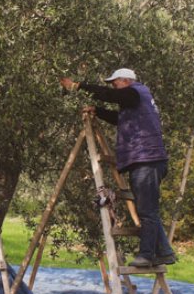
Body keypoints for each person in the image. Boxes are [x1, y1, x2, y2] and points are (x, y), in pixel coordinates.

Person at [60, 68, 176, 268]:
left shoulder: (135, 92)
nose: (113, 87)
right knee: (149, 210)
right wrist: (98, 110)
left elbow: (111, 96)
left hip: (146, 161)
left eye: (115, 83)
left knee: (147, 211)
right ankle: (165, 252)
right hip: (147, 160)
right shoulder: (136, 101)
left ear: (126, 81)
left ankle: (147, 255)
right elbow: (119, 119)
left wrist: (78, 86)